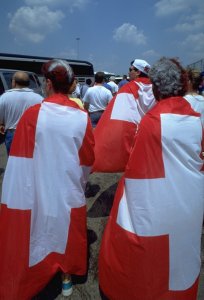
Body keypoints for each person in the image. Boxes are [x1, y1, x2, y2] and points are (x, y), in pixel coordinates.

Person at [99, 57, 204, 300]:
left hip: (161, 204)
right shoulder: (195, 118)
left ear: (155, 88)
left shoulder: (152, 121)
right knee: (181, 255)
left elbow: (138, 171)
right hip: (190, 202)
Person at [0, 59, 95, 299]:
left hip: (40, 183)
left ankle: (39, 269)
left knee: (39, 227)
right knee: (67, 226)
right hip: (68, 183)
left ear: (49, 83)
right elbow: (87, 159)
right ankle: (66, 275)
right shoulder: (82, 116)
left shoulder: (32, 115)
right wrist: (80, 182)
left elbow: (20, 162)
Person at [92, 59, 156, 172]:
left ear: (138, 72)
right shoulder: (156, 88)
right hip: (151, 135)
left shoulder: (129, 88)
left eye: (130, 69)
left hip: (137, 136)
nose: (129, 72)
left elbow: (119, 118)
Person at [0, 71, 43, 155]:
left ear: (14, 82)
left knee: (13, 161)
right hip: (31, 134)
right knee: (30, 161)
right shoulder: (39, 99)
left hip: (12, 134)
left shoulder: (4, 98)